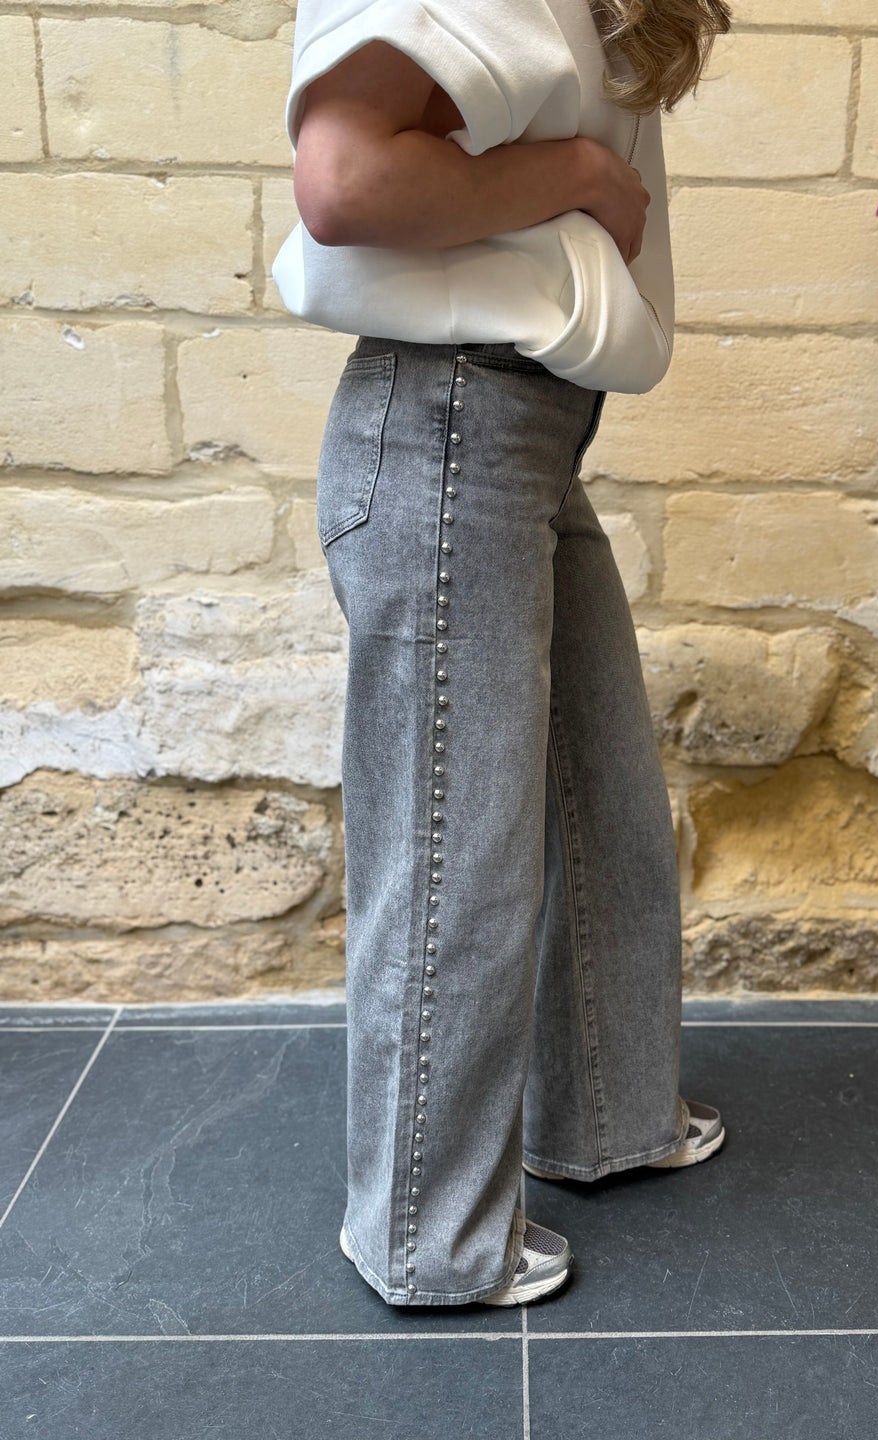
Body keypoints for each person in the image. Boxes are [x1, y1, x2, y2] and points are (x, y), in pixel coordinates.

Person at [274, 0, 732, 1309]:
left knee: (602, 800)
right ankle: (426, 1237)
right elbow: (346, 179)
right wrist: (581, 172)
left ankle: (607, 1116)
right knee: (455, 856)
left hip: (520, 434)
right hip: (450, 430)